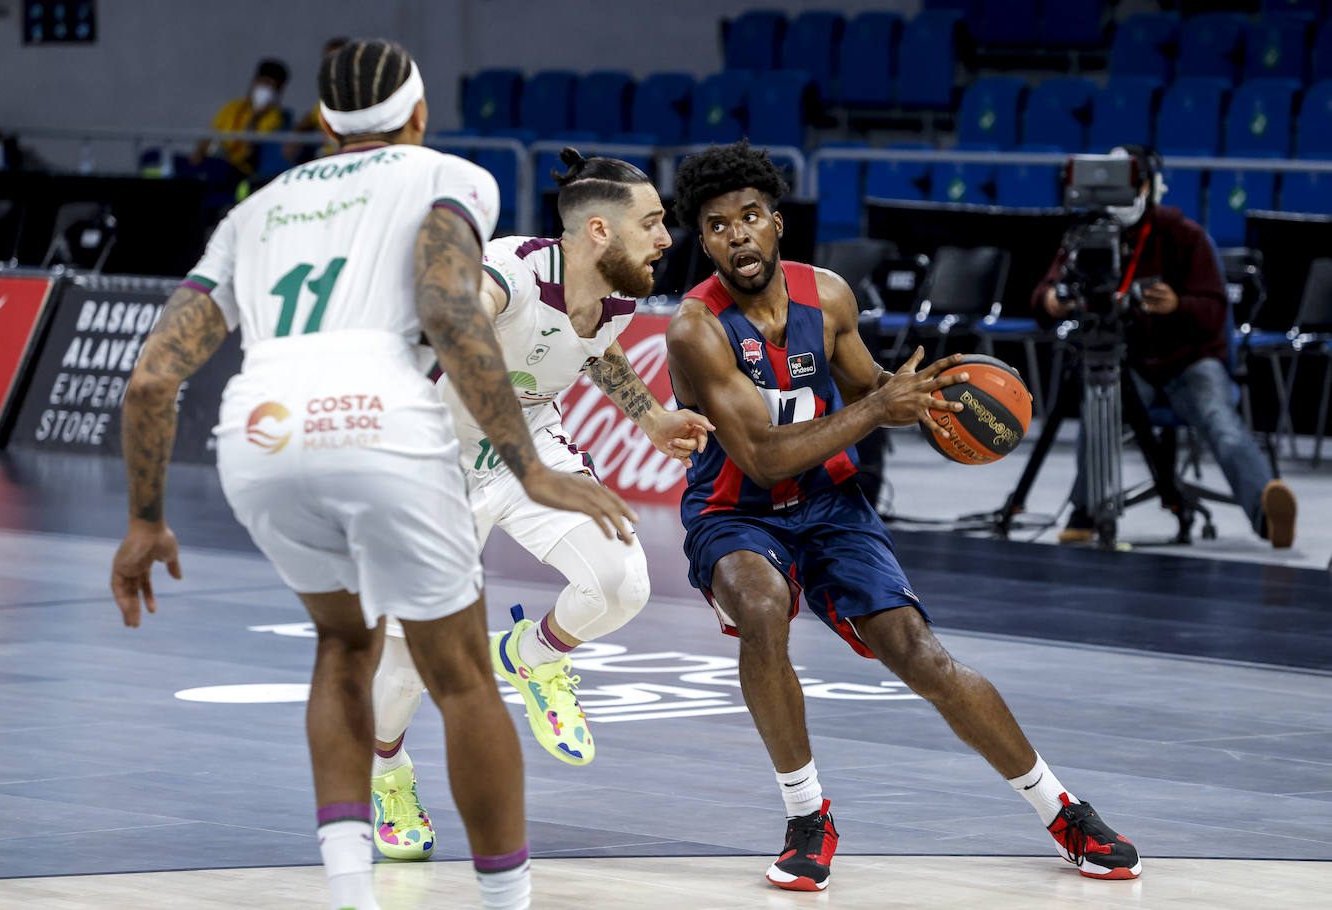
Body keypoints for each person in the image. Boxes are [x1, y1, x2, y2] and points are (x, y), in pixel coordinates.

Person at [110, 38, 636, 910]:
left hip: (259, 432)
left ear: (320, 124)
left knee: (342, 649)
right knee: (462, 674)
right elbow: (448, 311)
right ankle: (509, 900)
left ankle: (353, 891)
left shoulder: (256, 208)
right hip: (380, 419)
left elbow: (153, 377)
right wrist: (527, 466)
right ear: (420, 116)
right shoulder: (454, 180)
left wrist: (144, 519)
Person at [664, 140, 1142, 893]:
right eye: (719, 225)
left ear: (777, 223)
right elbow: (760, 455)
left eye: (751, 217)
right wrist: (878, 408)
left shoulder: (830, 296)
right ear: (705, 240)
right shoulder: (695, 328)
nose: (738, 236)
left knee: (920, 653)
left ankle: (1063, 810)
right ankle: (807, 817)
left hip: (830, 503)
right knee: (762, 607)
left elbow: (873, 386)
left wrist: (924, 401)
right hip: (737, 509)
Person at [367, 148, 713, 860]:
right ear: (596, 231)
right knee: (406, 665)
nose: (665, 239)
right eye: (651, 223)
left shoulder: (618, 293)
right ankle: (387, 773)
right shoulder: (510, 271)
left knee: (623, 583)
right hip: (433, 464)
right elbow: (460, 319)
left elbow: (599, 351)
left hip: (531, 447)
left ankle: (532, 654)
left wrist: (649, 417)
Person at [1033, 145, 1297, 548]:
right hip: (1129, 362)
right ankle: (1085, 511)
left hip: (1190, 362)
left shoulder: (1184, 235)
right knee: (1098, 406)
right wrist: (1051, 299)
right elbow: (1047, 291)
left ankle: (1268, 515)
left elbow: (1214, 309)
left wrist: (1178, 304)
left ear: (1146, 187)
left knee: (1220, 422)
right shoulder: (1084, 235)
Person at [192, 58, 291, 179]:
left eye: (274, 88)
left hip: (239, 170)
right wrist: (198, 153)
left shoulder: (275, 118)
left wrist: (255, 117)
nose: (268, 90)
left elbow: (252, 151)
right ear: (255, 82)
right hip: (213, 161)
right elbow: (211, 134)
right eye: (265, 83)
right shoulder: (232, 107)